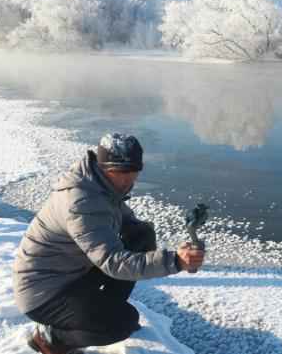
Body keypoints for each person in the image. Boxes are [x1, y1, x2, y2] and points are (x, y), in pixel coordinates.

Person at [13, 133, 205, 354]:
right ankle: (50, 339)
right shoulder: (82, 201)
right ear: (103, 167)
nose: (127, 180)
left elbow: (131, 226)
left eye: (133, 172)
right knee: (122, 323)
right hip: (44, 293)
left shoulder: (102, 185)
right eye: (120, 172)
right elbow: (112, 262)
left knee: (141, 234)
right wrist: (175, 261)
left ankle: (103, 311)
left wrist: (180, 249)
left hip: (71, 274)